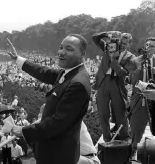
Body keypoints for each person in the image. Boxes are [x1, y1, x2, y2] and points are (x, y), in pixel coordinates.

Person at [7, 34, 91, 164]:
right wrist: (18, 59)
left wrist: (24, 130)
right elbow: (43, 72)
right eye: (61, 47)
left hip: (59, 155)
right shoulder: (68, 72)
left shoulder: (77, 83)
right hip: (53, 150)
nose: (62, 52)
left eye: (69, 49)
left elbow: (57, 123)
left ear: (82, 53)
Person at [92, 32, 135, 142]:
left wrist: (113, 60)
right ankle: (107, 138)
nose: (122, 45)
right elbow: (95, 38)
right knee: (103, 112)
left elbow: (123, 73)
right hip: (103, 81)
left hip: (117, 84)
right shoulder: (109, 47)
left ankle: (124, 137)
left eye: (125, 44)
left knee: (120, 112)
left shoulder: (130, 57)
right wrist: (106, 33)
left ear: (129, 44)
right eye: (121, 42)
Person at [129, 37, 155, 159]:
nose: (149, 48)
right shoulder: (135, 61)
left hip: (153, 99)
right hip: (139, 99)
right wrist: (138, 68)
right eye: (147, 45)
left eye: (152, 46)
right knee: (136, 127)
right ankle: (134, 151)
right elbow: (131, 80)